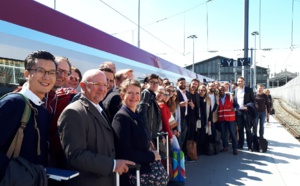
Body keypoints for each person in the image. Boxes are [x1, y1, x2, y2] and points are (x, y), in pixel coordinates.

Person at [58, 69, 134, 186]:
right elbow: (76, 155)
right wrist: (113, 165)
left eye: (105, 85)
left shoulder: (98, 108)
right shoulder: (73, 112)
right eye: (97, 84)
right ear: (82, 86)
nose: (102, 89)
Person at [0, 50, 57, 181]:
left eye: (52, 72)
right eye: (40, 70)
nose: (47, 77)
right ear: (27, 74)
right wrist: (17, 174)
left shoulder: (43, 111)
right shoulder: (13, 103)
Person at [112, 79, 163, 186]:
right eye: (130, 93)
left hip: (141, 171)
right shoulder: (121, 117)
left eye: (137, 93)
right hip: (133, 175)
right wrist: (151, 156)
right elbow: (124, 153)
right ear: (122, 95)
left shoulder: (134, 114)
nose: (134, 97)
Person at [137, 74, 162, 146]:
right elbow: (142, 114)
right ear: (145, 84)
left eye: (157, 82)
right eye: (152, 82)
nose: (155, 84)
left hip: (150, 135)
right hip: (147, 136)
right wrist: (148, 137)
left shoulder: (151, 95)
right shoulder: (146, 93)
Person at [235, 76, 255, 151]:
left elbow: (253, 101)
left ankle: (250, 146)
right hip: (239, 112)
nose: (239, 82)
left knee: (248, 129)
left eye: (241, 81)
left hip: (246, 112)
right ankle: (240, 144)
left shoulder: (249, 90)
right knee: (240, 129)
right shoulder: (236, 90)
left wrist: (247, 106)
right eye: (238, 81)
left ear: (244, 82)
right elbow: (234, 100)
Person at [218, 85, 238, 155]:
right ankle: (225, 146)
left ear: (225, 90)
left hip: (230, 118)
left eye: (223, 89)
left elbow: (237, 106)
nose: (221, 91)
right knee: (223, 134)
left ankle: (235, 148)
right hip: (222, 118)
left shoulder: (230, 97)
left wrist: (235, 109)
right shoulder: (217, 98)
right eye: (220, 90)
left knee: (232, 133)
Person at [197, 85, 212, 155]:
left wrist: (209, 120)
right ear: (198, 90)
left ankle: (203, 150)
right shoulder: (197, 98)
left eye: (204, 90)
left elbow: (210, 111)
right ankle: (198, 150)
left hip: (206, 118)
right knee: (199, 134)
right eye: (201, 90)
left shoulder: (208, 99)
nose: (202, 92)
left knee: (204, 134)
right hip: (199, 119)